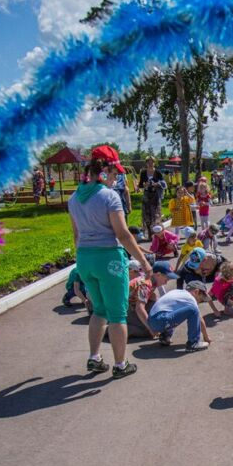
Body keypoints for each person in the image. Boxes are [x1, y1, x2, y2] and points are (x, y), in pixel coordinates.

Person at [68, 145, 152, 378]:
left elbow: (76, 236)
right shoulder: (109, 197)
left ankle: (94, 358)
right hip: (109, 259)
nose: (116, 179)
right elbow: (123, 235)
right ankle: (120, 364)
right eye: (114, 174)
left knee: (99, 310)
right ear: (104, 170)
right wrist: (143, 261)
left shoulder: (74, 197)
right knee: (117, 314)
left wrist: (83, 258)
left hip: (85, 259)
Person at [147, 280, 212, 351]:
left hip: (151, 321)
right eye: (201, 299)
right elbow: (199, 318)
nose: (199, 302)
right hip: (161, 320)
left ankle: (165, 336)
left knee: (174, 311)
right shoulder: (190, 298)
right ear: (196, 292)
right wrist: (206, 337)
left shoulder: (177, 292)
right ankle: (194, 343)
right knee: (194, 310)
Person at [127, 261, 179, 339]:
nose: (167, 282)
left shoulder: (151, 280)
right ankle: (117, 328)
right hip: (124, 309)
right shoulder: (145, 284)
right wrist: (151, 329)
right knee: (148, 330)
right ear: (158, 275)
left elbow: (153, 298)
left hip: (130, 305)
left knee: (157, 314)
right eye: (167, 278)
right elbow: (139, 308)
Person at [138, 156, 166, 238]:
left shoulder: (158, 172)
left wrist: (157, 184)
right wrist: (144, 185)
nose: (150, 164)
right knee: (147, 215)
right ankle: (150, 233)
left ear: (154, 163)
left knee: (156, 215)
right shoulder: (143, 173)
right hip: (146, 196)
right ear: (146, 163)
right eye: (148, 162)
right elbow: (140, 185)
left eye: (152, 162)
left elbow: (164, 183)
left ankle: (157, 233)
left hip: (155, 196)